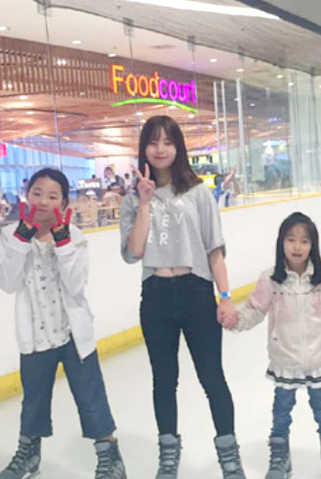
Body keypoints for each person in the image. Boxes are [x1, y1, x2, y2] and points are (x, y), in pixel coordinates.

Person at [120, 115, 245, 479]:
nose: (160, 149)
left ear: (178, 147)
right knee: (164, 379)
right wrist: (145, 202)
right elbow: (135, 251)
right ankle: (168, 455)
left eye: (168, 142)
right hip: (156, 295)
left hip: (196, 292)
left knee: (212, 377)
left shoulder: (198, 192)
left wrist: (225, 296)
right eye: (153, 141)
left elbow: (214, 251)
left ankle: (229, 455)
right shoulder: (133, 199)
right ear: (143, 147)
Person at [0, 168, 127, 479]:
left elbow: (76, 285)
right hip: (35, 335)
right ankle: (29, 454)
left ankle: (110, 457)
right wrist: (22, 238)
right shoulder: (11, 235)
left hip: (72, 335)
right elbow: (7, 283)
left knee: (90, 397)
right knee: (34, 400)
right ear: (27, 196)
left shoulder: (75, 237)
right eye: (37, 193)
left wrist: (63, 241)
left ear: (64, 204)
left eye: (52, 196)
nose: (43, 201)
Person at [226, 212, 321, 479]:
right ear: (281, 242)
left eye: (304, 241)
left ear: (313, 245)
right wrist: (236, 320)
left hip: (318, 356)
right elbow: (254, 310)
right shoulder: (270, 279)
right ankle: (280, 456)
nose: (297, 246)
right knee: (281, 410)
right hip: (285, 357)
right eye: (291, 239)